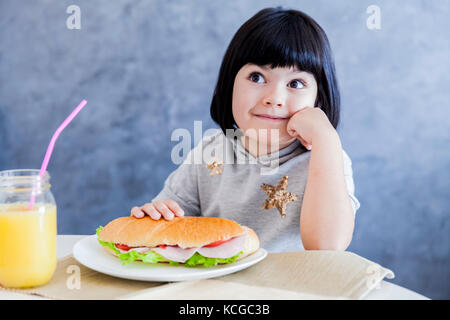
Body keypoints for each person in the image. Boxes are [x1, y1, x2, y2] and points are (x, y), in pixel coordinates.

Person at [131, 7, 360, 252]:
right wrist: (154, 216)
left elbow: (327, 247)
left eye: (296, 83)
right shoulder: (209, 151)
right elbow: (161, 230)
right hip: (218, 287)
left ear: (319, 98)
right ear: (231, 84)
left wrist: (326, 138)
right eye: (257, 77)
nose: (275, 98)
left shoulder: (327, 159)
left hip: (291, 288)